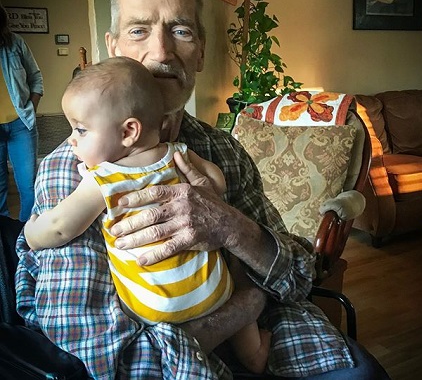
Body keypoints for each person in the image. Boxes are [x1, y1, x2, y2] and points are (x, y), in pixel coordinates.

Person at [15, 0, 390, 379]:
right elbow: (95, 352)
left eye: (180, 31)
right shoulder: (71, 170)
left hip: (262, 336)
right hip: (164, 361)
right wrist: (240, 309)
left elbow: (296, 277)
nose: (161, 53)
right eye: (139, 30)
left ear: (202, 52)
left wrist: (232, 227)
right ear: (112, 46)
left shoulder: (222, 150)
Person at [24, 56, 271, 374]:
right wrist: (210, 192)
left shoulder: (104, 179)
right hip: (214, 290)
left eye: (81, 130)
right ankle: (254, 354)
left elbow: (59, 228)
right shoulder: (177, 153)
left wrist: (30, 232)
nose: (71, 139)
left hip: (153, 306)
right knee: (234, 280)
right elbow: (216, 181)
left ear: (129, 132)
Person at [0, 3, 43, 223]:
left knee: (28, 184)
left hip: (21, 124)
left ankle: (26, 234)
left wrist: (31, 108)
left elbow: (36, 77)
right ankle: (4, 238)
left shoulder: (16, 43)